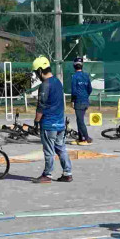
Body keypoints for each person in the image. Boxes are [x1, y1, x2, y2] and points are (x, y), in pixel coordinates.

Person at [31, 56, 72, 184]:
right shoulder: (58, 82)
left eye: (36, 72)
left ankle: (47, 175)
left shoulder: (45, 85)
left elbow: (41, 106)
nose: (36, 75)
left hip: (49, 124)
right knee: (61, 148)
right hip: (60, 123)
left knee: (49, 151)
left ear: (40, 71)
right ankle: (67, 173)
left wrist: (36, 122)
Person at [70, 56, 93, 145]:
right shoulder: (86, 75)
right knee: (79, 119)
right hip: (85, 101)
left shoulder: (74, 76)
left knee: (80, 121)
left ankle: (86, 138)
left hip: (78, 101)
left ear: (74, 66)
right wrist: (85, 96)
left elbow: (74, 91)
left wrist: (72, 100)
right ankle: (80, 138)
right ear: (82, 65)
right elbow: (90, 89)